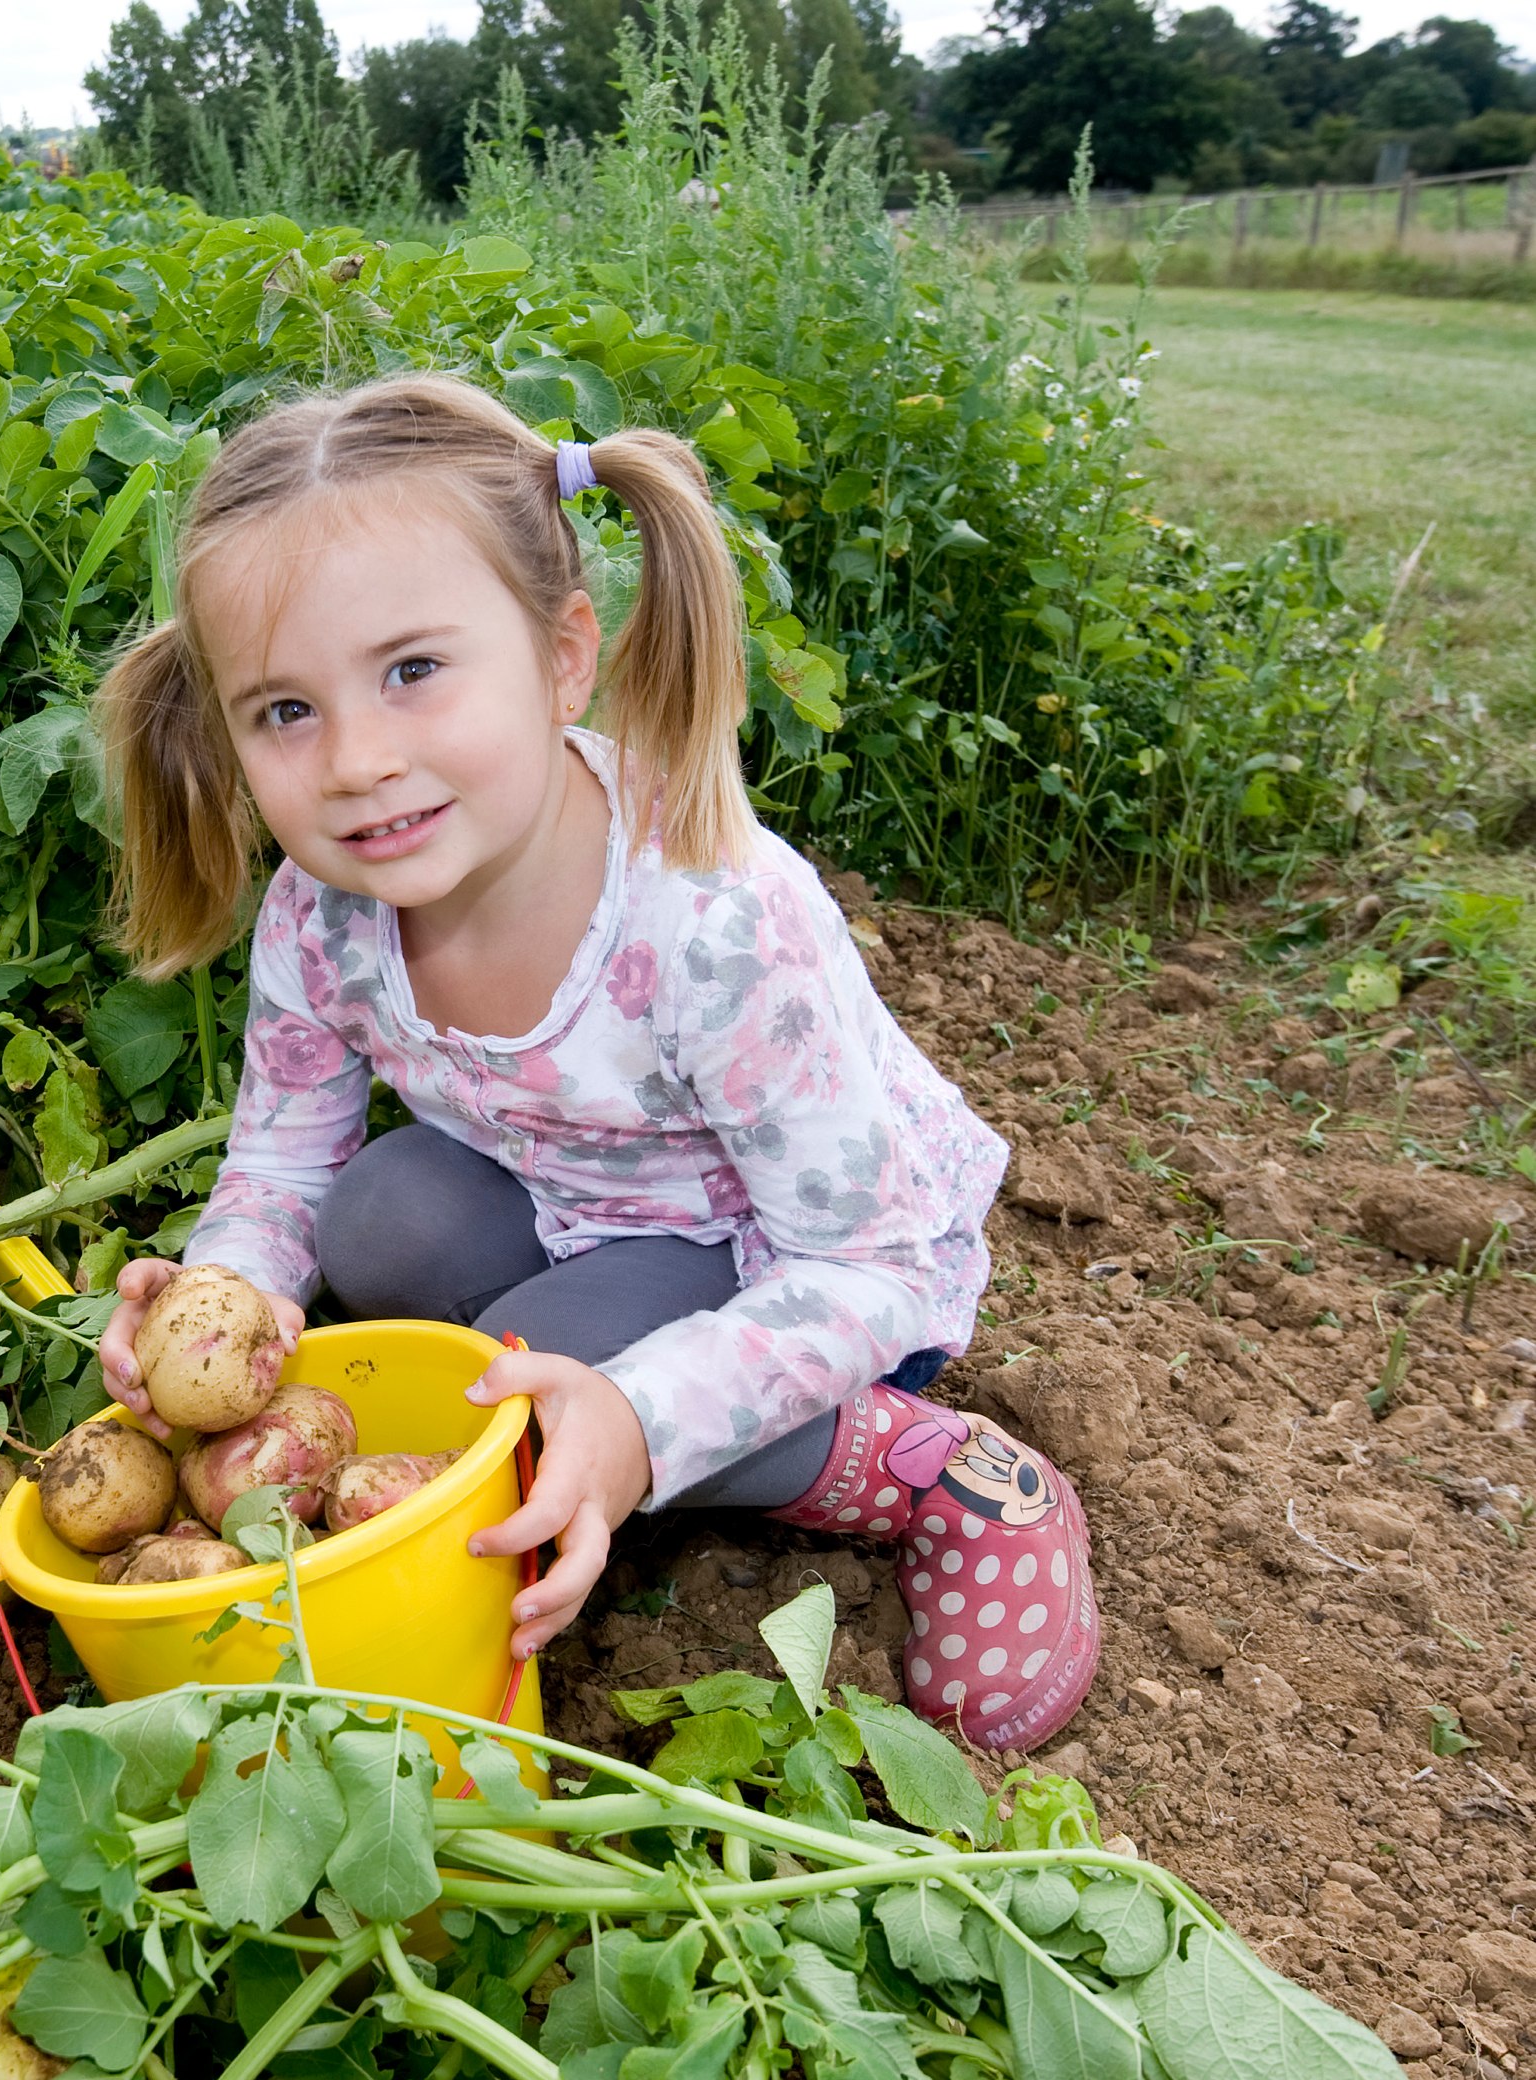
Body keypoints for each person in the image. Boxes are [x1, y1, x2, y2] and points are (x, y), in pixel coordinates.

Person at [87, 373, 1097, 1753]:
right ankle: (573, 1378)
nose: (357, 762)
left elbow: (873, 1265)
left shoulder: (712, 919)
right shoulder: (320, 914)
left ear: (565, 657)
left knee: (531, 1386)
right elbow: (279, 1156)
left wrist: (638, 1416)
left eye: (412, 672)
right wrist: (233, 1306)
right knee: (374, 1212)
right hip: (577, 1216)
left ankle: (936, 1477)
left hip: (813, 1269)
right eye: (285, 712)